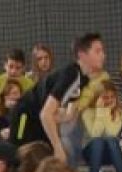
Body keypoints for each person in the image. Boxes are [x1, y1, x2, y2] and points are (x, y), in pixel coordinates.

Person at [11, 32, 106, 160]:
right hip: (24, 115)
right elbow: (45, 114)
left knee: (46, 160)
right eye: (98, 51)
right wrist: (58, 147)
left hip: (38, 120)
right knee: (20, 157)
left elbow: (67, 115)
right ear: (82, 55)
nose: (103, 55)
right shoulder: (71, 74)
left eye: (102, 51)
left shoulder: (84, 79)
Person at [80, 84, 122, 172]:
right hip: (91, 153)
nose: (109, 100)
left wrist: (107, 111)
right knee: (98, 141)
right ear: (97, 97)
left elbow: (112, 133)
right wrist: (101, 111)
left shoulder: (119, 113)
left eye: (112, 97)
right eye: (105, 97)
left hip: (110, 155)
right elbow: (95, 134)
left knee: (111, 139)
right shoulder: (87, 112)